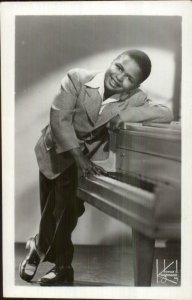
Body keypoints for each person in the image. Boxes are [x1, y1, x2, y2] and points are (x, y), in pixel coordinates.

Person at [19, 49, 173, 286]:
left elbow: (166, 113)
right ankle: (38, 246)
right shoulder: (77, 78)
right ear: (112, 62)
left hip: (84, 163)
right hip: (55, 152)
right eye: (119, 67)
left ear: (134, 86)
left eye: (129, 78)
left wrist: (129, 113)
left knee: (67, 211)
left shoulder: (135, 98)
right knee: (52, 211)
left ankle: (62, 268)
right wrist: (81, 160)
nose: (119, 77)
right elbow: (59, 121)